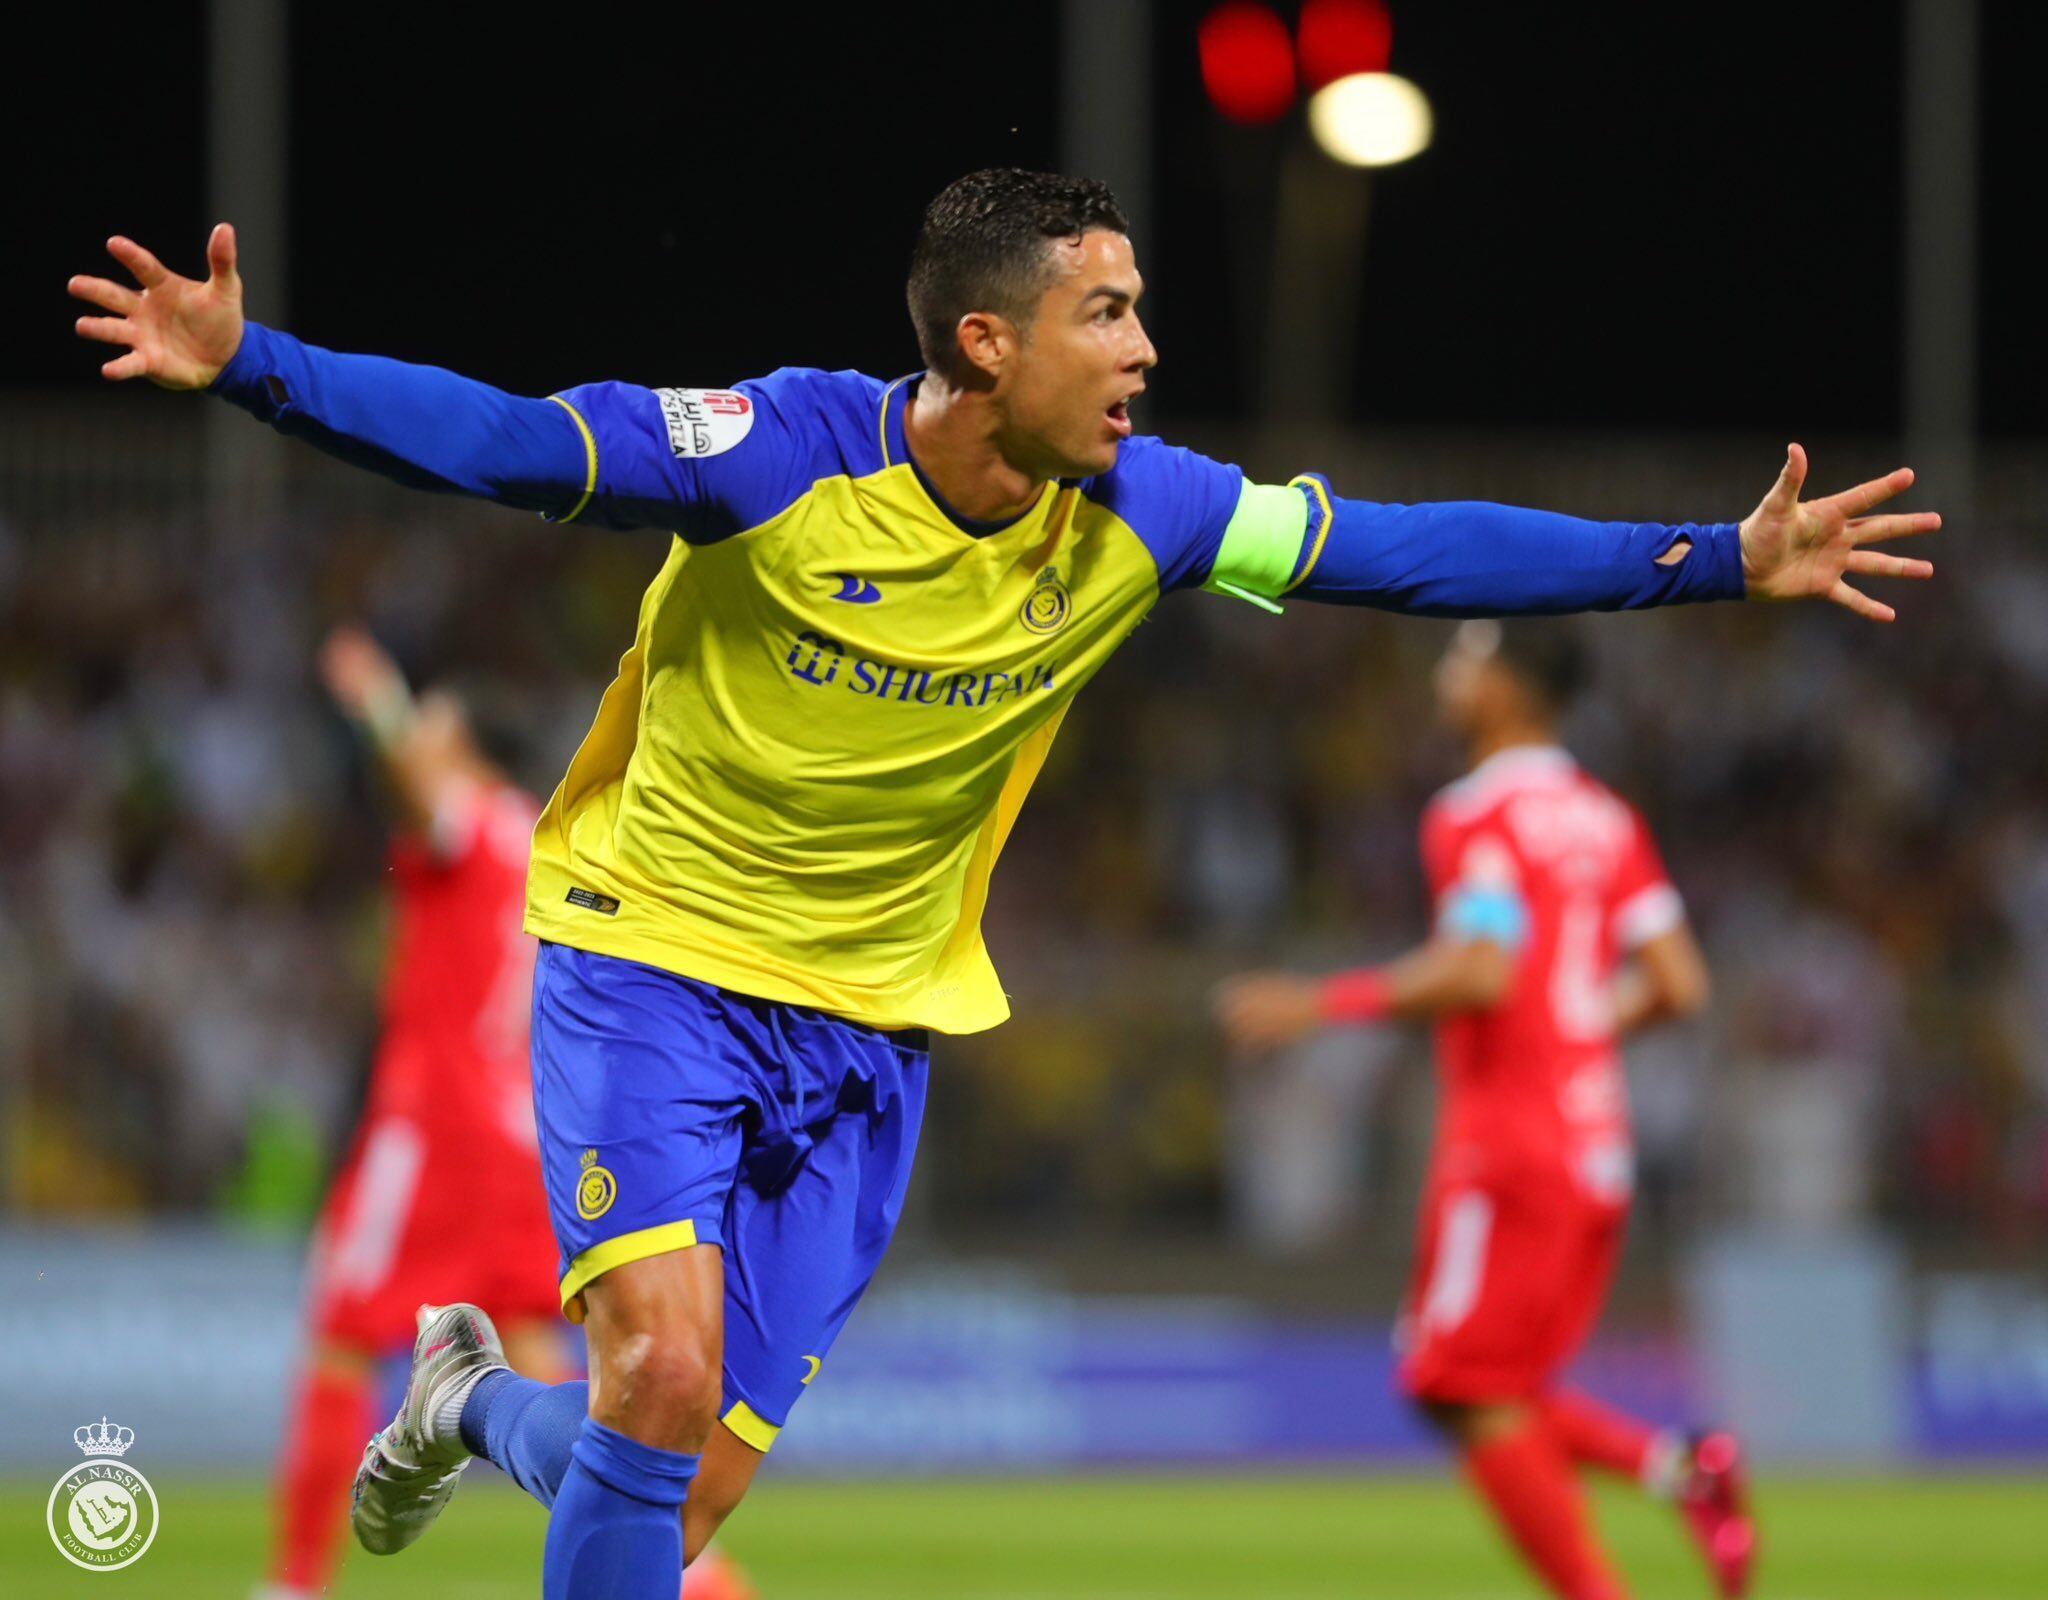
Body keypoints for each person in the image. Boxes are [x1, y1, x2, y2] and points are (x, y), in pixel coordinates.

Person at [70, 168, 1930, 1599]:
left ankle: (467, 1404)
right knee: (652, 1374)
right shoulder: (779, 454)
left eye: (1137, 316)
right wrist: (258, 367)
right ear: (984, 344)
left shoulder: (1147, 511)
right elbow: (503, 440)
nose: (1139, 354)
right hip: (650, 966)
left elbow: (1407, 553)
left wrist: (1701, 558)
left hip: (874, 1025)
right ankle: (502, 1402)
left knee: (679, 1476)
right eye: (1103, 316)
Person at [1215, 618, 1755, 1600]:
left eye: (1463, 657)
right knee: (1477, 1382)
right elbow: (1678, 982)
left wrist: (1316, 1002)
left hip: (1507, 1144)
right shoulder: (1604, 817)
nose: (1444, 675)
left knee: (1454, 1382)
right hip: (1593, 1144)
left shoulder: (1471, 812)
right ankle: (1682, 1471)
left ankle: (1622, 1557)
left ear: (1511, 689)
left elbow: (1479, 966)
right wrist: (1575, 1029)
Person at [259, 626, 566, 1599]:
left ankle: (293, 1585)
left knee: (343, 1339)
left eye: (435, 722)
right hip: (524, 1140)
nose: (420, 735)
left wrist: (376, 697)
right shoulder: (541, 841)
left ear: (465, 744)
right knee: (537, 1358)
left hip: (435, 1130)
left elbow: (417, 789)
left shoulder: (470, 820)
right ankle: (692, 1568)